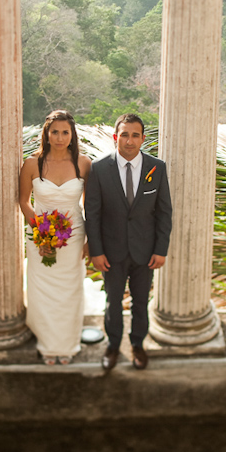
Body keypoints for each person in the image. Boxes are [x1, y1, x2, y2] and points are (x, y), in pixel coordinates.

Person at [84, 113, 172, 371]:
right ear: (115, 137)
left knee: (141, 302)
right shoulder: (99, 169)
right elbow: (93, 214)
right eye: (124, 134)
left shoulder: (157, 168)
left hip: (145, 251)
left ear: (143, 138)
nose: (130, 141)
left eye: (135, 135)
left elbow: (164, 212)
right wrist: (96, 251)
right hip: (111, 252)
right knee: (112, 302)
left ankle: (137, 345)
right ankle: (112, 347)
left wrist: (160, 248)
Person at [19, 109, 91, 365]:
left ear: (72, 135)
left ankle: (68, 343)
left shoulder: (84, 163)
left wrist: (89, 240)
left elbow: (90, 205)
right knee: (42, 288)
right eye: (55, 132)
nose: (60, 137)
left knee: (69, 288)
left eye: (65, 132)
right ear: (46, 134)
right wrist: (40, 231)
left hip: (74, 235)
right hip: (40, 234)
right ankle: (47, 343)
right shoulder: (31, 163)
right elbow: (24, 201)